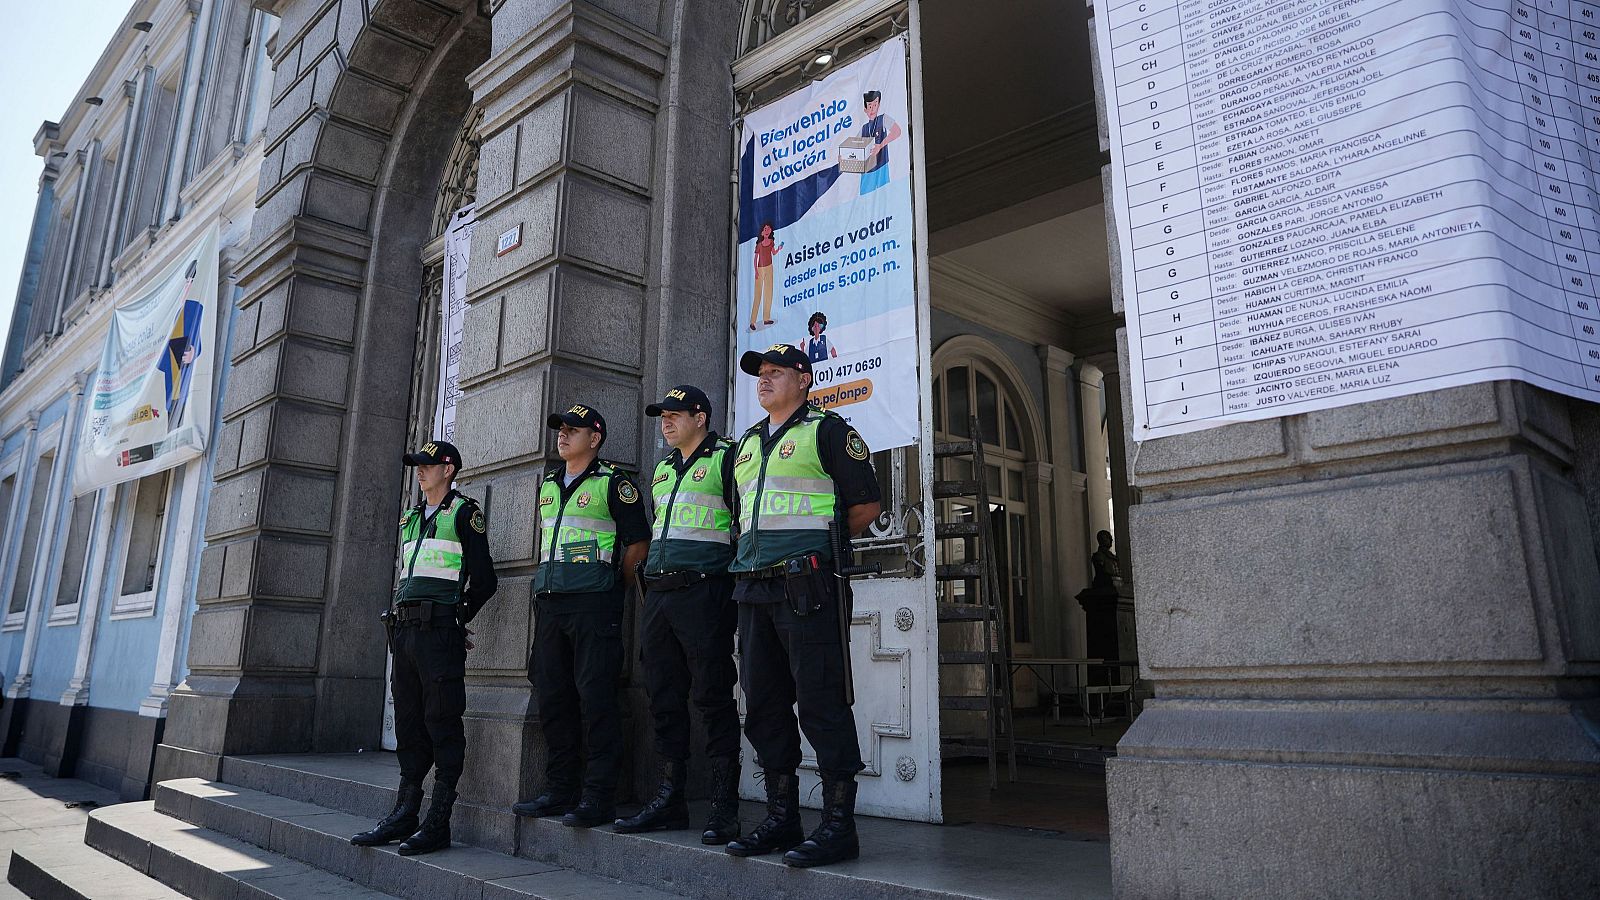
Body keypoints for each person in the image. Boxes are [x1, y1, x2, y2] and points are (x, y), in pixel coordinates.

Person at [723, 343, 881, 868]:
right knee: (763, 706)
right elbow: (739, 514)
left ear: (804, 378)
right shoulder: (745, 445)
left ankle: (838, 826)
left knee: (821, 700)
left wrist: (812, 551)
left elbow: (864, 506)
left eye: (774, 372)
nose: (763, 381)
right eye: (759, 374)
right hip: (752, 589)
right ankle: (781, 816)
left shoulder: (830, 432)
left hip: (807, 589)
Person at [352, 440, 497, 855]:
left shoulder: (465, 513)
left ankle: (439, 822)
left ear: (448, 470)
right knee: (410, 724)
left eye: (427, 465)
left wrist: (455, 617)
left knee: (442, 721)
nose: (419, 470)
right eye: (417, 464)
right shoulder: (411, 518)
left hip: (438, 636)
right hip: (406, 635)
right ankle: (405, 812)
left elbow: (485, 581)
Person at [613, 385, 743, 844]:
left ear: (701, 416)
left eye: (675, 413)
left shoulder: (728, 458)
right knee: (663, 696)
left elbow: (745, 524)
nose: (666, 421)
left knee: (712, 696)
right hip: (661, 598)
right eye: (662, 414)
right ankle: (669, 798)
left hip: (705, 593)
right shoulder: (664, 469)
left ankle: (725, 805)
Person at [513, 404, 651, 828]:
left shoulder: (615, 483)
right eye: (560, 429)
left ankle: (599, 796)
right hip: (553, 605)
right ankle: (560, 789)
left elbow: (638, 544)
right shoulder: (550, 485)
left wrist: (612, 586)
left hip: (595, 606)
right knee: (554, 699)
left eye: (573, 430)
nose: (563, 435)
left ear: (595, 438)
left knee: (597, 700)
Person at [857, 90, 902, 195]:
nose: (872, 108)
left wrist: (880, 145)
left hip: (882, 165)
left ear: (879, 105)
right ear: (865, 109)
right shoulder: (864, 128)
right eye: (869, 106)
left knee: (884, 196)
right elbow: (854, 147)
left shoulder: (883, 119)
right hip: (867, 171)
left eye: (875, 104)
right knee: (865, 200)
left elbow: (897, 131)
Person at [749, 222, 783, 332]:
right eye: (765, 228)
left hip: (769, 268)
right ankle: (753, 321)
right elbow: (755, 259)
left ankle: (766, 318)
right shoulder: (759, 245)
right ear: (762, 232)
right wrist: (756, 271)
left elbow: (774, 253)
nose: (767, 230)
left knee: (768, 293)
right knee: (757, 295)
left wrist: (779, 248)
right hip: (760, 269)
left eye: (768, 228)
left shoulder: (771, 242)